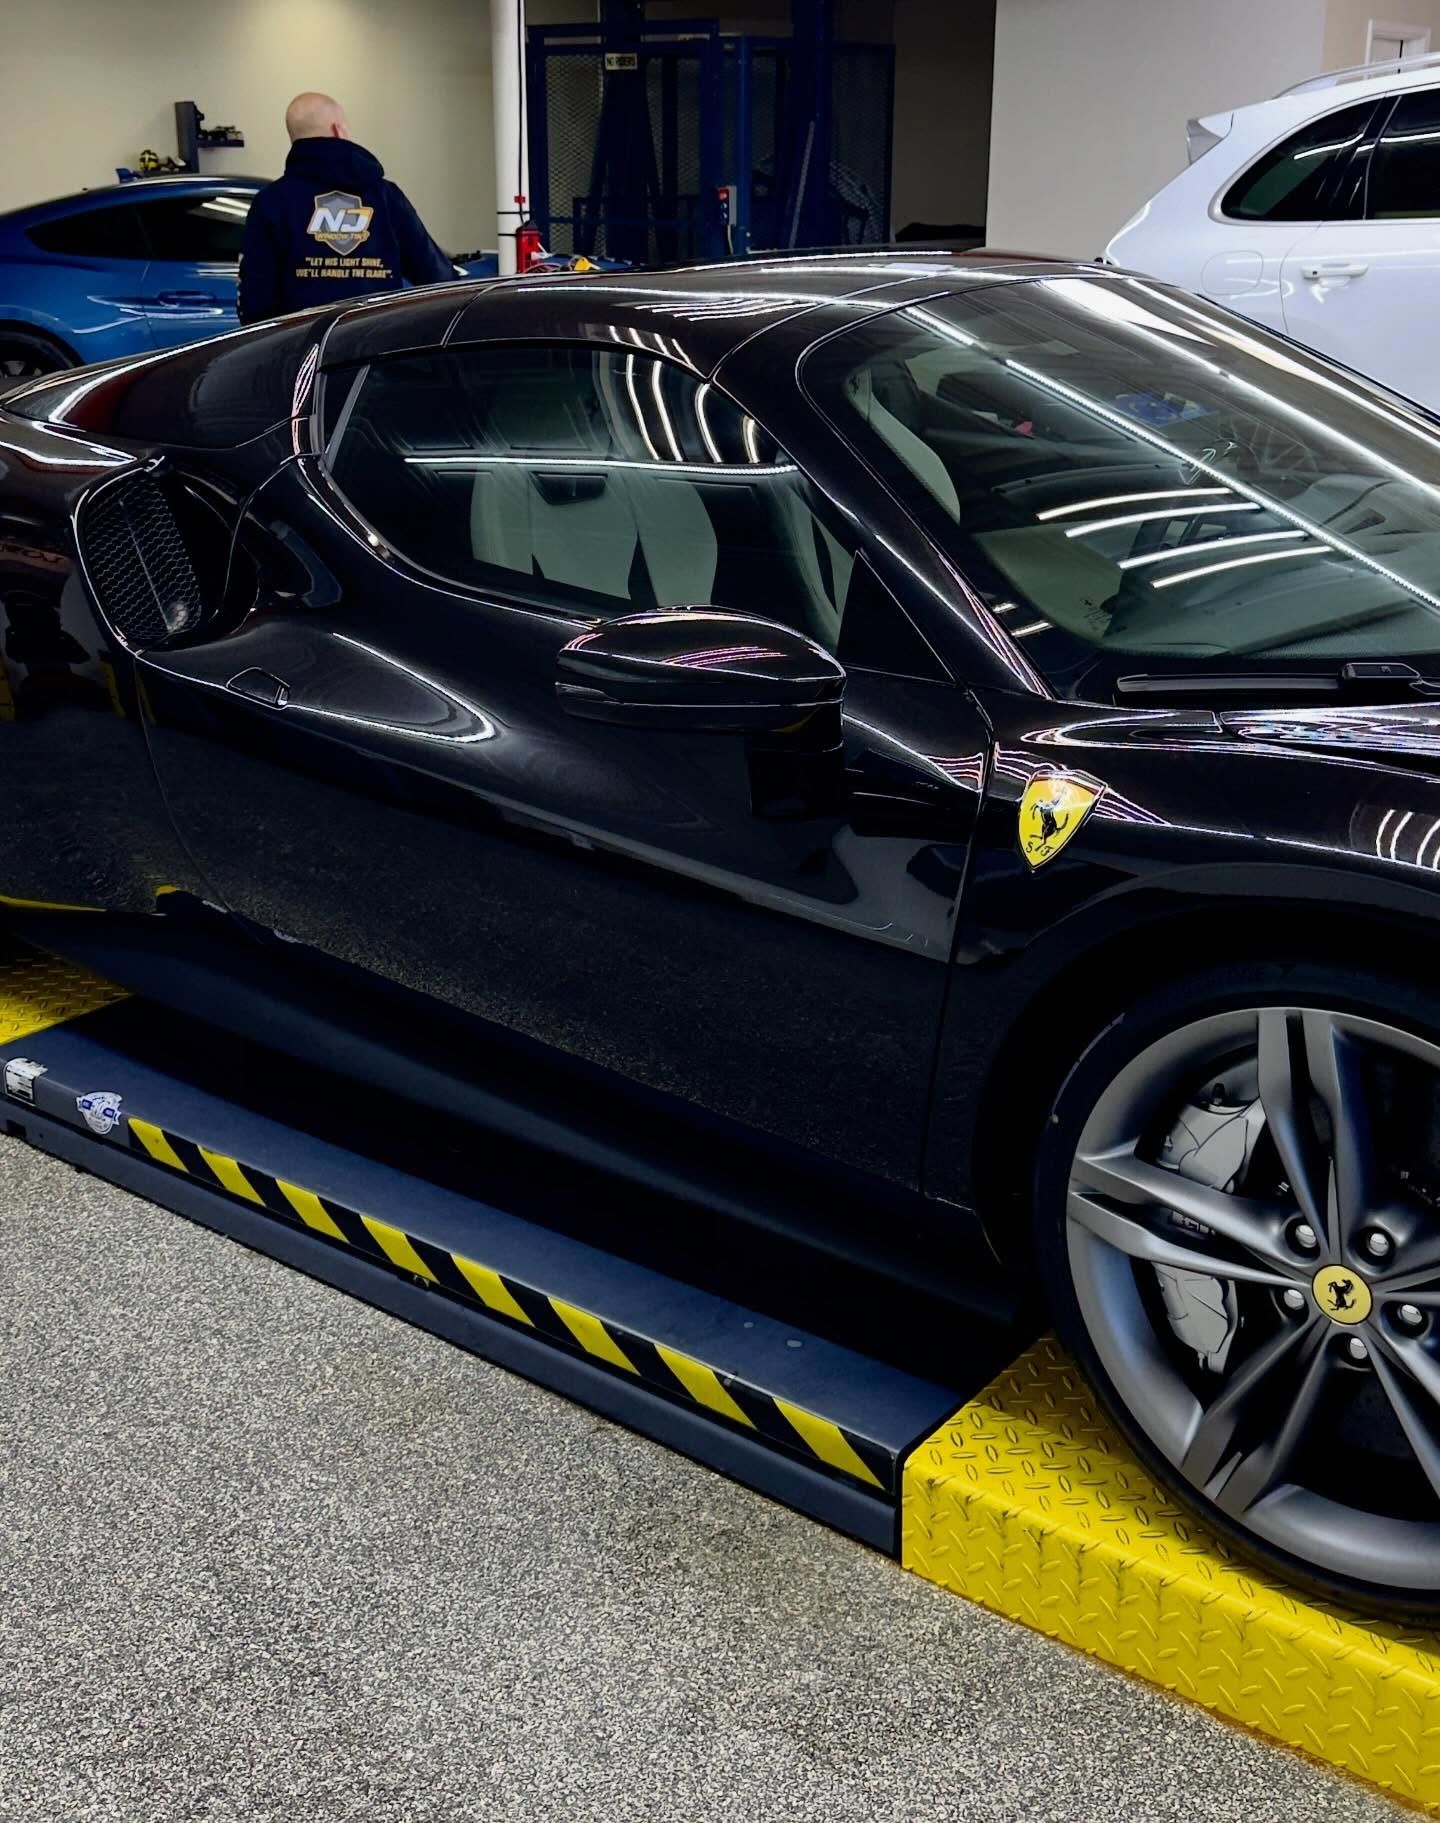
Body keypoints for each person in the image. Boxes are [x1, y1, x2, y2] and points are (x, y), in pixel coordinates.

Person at [237, 92, 454, 324]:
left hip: (301, 351)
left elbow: (255, 303)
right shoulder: (386, 196)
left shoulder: (271, 201)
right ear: (339, 130)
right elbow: (438, 280)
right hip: (379, 345)